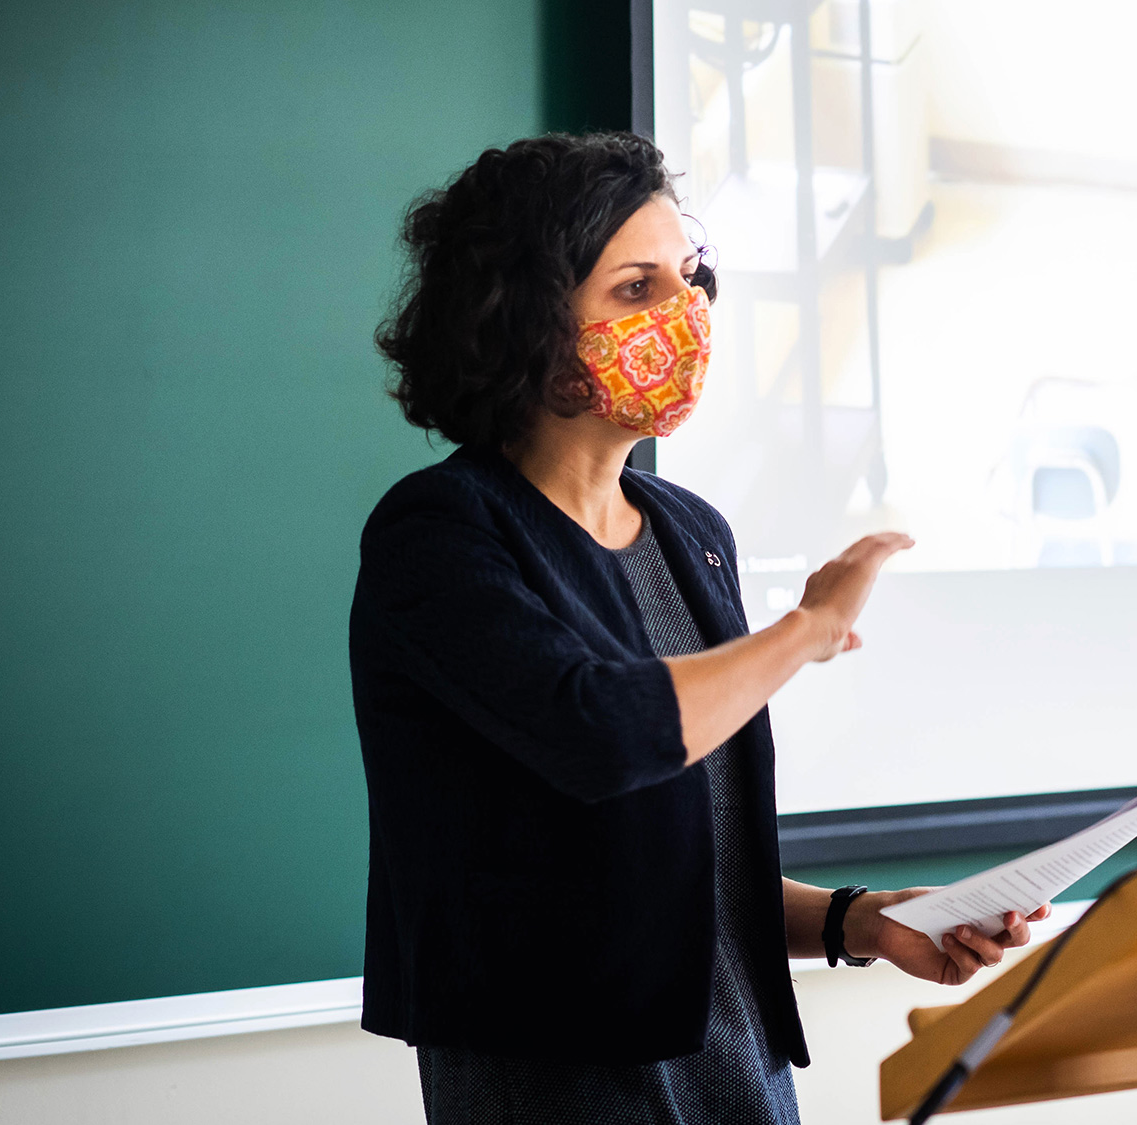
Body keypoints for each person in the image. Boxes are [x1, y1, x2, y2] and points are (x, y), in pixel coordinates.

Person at [349, 132, 1047, 1125]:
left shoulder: (688, 533)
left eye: (691, 278)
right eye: (637, 289)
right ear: (521, 321)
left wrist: (864, 922)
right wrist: (804, 630)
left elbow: (683, 867)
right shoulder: (442, 534)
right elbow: (602, 733)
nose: (685, 315)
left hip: (740, 1074)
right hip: (569, 1091)